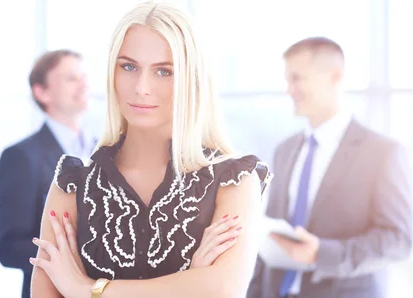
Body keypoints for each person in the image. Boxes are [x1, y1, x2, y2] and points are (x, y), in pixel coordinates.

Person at [29, 2, 273, 298]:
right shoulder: (71, 186)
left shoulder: (234, 180)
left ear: (191, 78)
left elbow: (223, 289)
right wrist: (190, 284)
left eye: (164, 71)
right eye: (129, 66)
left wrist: (87, 290)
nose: (142, 87)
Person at [247, 37, 413, 298]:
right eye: (288, 80)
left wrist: (322, 253)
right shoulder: (285, 151)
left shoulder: (382, 153)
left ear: (334, 77)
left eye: (297, 78)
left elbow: (397, 240)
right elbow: (269, 240)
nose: (289, 90)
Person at [0, 49, 96, 298]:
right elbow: (10, 247)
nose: (84, 85)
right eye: (71, 78)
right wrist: (69, 258)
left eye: (84, 77)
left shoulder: (106, 151)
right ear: (42, 92)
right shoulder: (21, 156)